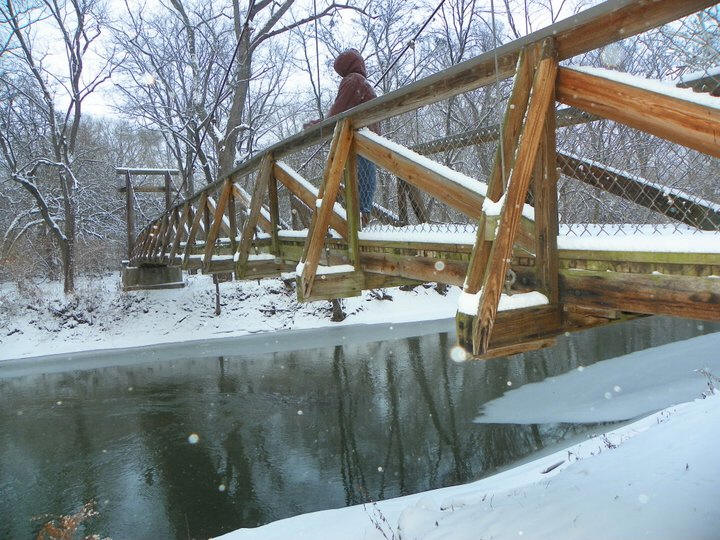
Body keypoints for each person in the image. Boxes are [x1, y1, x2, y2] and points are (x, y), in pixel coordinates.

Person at [306, 49, 378, 227]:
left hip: (359, 141)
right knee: (364, 181)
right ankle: (360, 218)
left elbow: (338, 112)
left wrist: (318, 125)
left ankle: (357, 221)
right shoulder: (363, 82)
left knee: (357, 180)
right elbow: (343, 111)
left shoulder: (352, 80)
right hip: (369, 141)